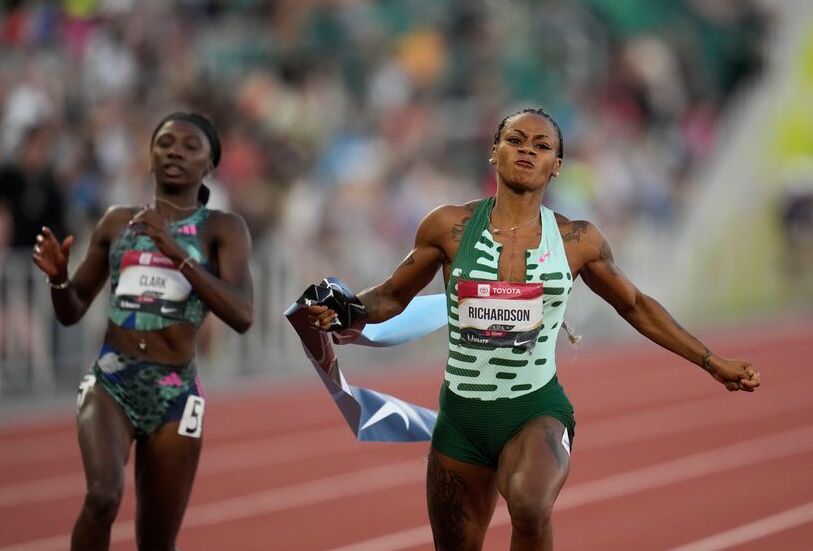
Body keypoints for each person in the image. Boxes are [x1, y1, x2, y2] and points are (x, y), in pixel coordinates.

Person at [307, 107, 761, 551]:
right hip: (461, 419)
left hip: (533, 411)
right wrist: (343, 309)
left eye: (541, 145)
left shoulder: (577, 241)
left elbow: (637, 306)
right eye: (515, 141)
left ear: (556, 165)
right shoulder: (448, 227)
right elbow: (389, 296)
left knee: (529, 503)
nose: (527, 150)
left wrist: (710, 361)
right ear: (494, 152)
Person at [31, 111, 254, 551]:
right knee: (102, 496)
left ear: (209, 165)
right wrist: (59, 279)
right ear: (150, 156)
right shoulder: (118, 222)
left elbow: (243, 315)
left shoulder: (222, 229)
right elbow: (71, 311)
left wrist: (175, 250)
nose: (175, 151)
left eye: (191, 147)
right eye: (166, 142)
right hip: (112, 381)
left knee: (156, 540)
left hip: (176, 394)